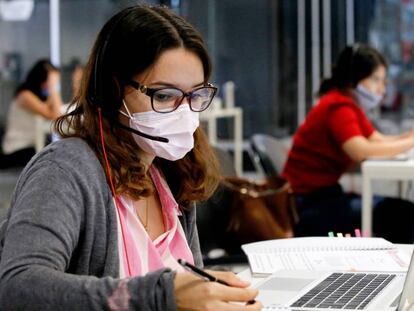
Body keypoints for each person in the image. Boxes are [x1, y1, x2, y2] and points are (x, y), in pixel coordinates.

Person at [0, 5, 261, 311]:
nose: (184, 112)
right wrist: (161, 295)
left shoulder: (171, 172)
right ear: (112, 91)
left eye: (195, 96)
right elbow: (18, 287)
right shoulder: (64, 169)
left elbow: (190, 283)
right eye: (163, 96)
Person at [282, 43, 414, 241]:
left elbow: (378, 140)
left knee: (401, 211)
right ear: (355, 78)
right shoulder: (338, 107)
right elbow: (361, 151)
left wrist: (409, 137)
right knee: (402, 213)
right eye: (375, 80)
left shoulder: (347, 105)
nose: (382, 89)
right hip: (309, 204)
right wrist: (411, 141)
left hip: (321, 196)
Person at [0, 59, 62, 168]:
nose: (53, 83)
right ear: (41, 78)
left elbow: (58, 112)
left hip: (31, 147)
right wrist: (53, 88)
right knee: (52, 157)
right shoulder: (25, 96)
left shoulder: (41, 97)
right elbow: (55, 116)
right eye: (51, 80)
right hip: (17, 150)